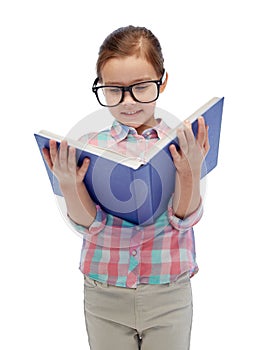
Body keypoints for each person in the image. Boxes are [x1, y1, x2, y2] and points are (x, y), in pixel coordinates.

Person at [43, 25, 209, 350]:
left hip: (169, 292)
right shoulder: (90, 147)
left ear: (163, 81)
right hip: (104, 293)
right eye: (113, 90)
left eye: (141, 87)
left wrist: (189, 171)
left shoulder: (183, 142)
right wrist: (69, 184)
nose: (127, 101)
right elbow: (90, 225)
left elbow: (185, 219)